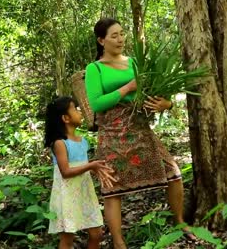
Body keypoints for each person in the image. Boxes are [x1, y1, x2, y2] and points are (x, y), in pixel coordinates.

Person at [85, 18, 196, 249]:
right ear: (101, 40)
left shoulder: (134, 62)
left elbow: (150, 93)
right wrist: (127, 88)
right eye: (114, 35)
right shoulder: (94, 69)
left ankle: (179, 222)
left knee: (173, 173)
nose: (120, 39)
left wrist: (166, 104)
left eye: (122, 34)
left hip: (140, 129)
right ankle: (118, 241)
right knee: (112, 187)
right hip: (113, 133)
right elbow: (96, 104)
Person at [44, 96, 116, 249]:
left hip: (84, 192)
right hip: (67, 195)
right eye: (75, 110)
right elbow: (66, 171)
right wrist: (91, 166)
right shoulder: (60, 143)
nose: (80, 113)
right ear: (65, 118)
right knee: (67, 238)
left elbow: (83, 166)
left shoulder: (83, 141)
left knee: (96, 234)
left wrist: (97, 169)